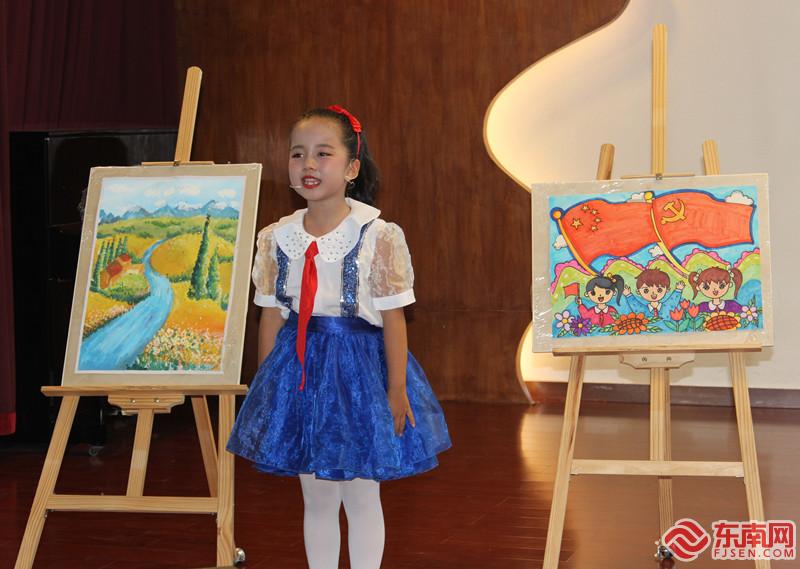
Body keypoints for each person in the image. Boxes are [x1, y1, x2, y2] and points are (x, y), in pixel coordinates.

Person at [227, 105, 451, 569]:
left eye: (323, 154)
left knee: (362, 494)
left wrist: (396, 387)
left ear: (351, 168)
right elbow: (270, 318)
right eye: (298, 154)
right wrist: (270, 390)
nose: (308, 164)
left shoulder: (377, 234)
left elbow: (393, 318)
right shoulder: (276, 237)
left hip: (358, 372)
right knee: (317, 497)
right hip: (300, 371)